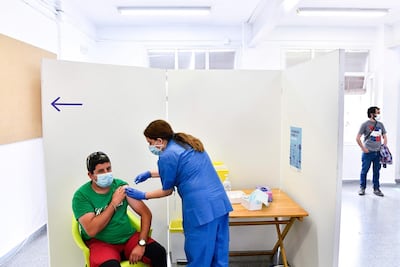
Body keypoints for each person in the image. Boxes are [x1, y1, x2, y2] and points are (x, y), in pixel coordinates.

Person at [125, 119, 233, 267]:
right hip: (219, 205)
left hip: (201, 211)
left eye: (150, 142)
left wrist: (144, 195)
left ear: (159, 140)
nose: (150, 146)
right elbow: (181, 170)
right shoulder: (186, 143)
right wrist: (150, 173)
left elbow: (167, 190)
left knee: (199, 257)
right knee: (218, 256)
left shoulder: (167, 155)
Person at [72, 151, 167, 267]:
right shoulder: (81, 196)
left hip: (128, 238)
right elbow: (92, 230)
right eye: (101, 171)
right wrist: (114, 203)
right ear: (91, 175)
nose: (107, 174)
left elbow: (146, 214)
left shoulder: (120, 187)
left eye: (108, 169)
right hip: (101, 243)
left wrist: (141, 244)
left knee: (159, 253)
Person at [356, 106, 387, 197]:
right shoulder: (365, 124)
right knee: (364, 171)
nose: (379, 114)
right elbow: (357, 138)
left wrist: (383, 147)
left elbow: (385, 137)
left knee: (376, 171)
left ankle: (376, 189)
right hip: (367, 153)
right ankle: (362, 188)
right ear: (371, 114)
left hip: (378, 153)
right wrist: (363, 148)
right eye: (377, 112)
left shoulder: (380, 125)